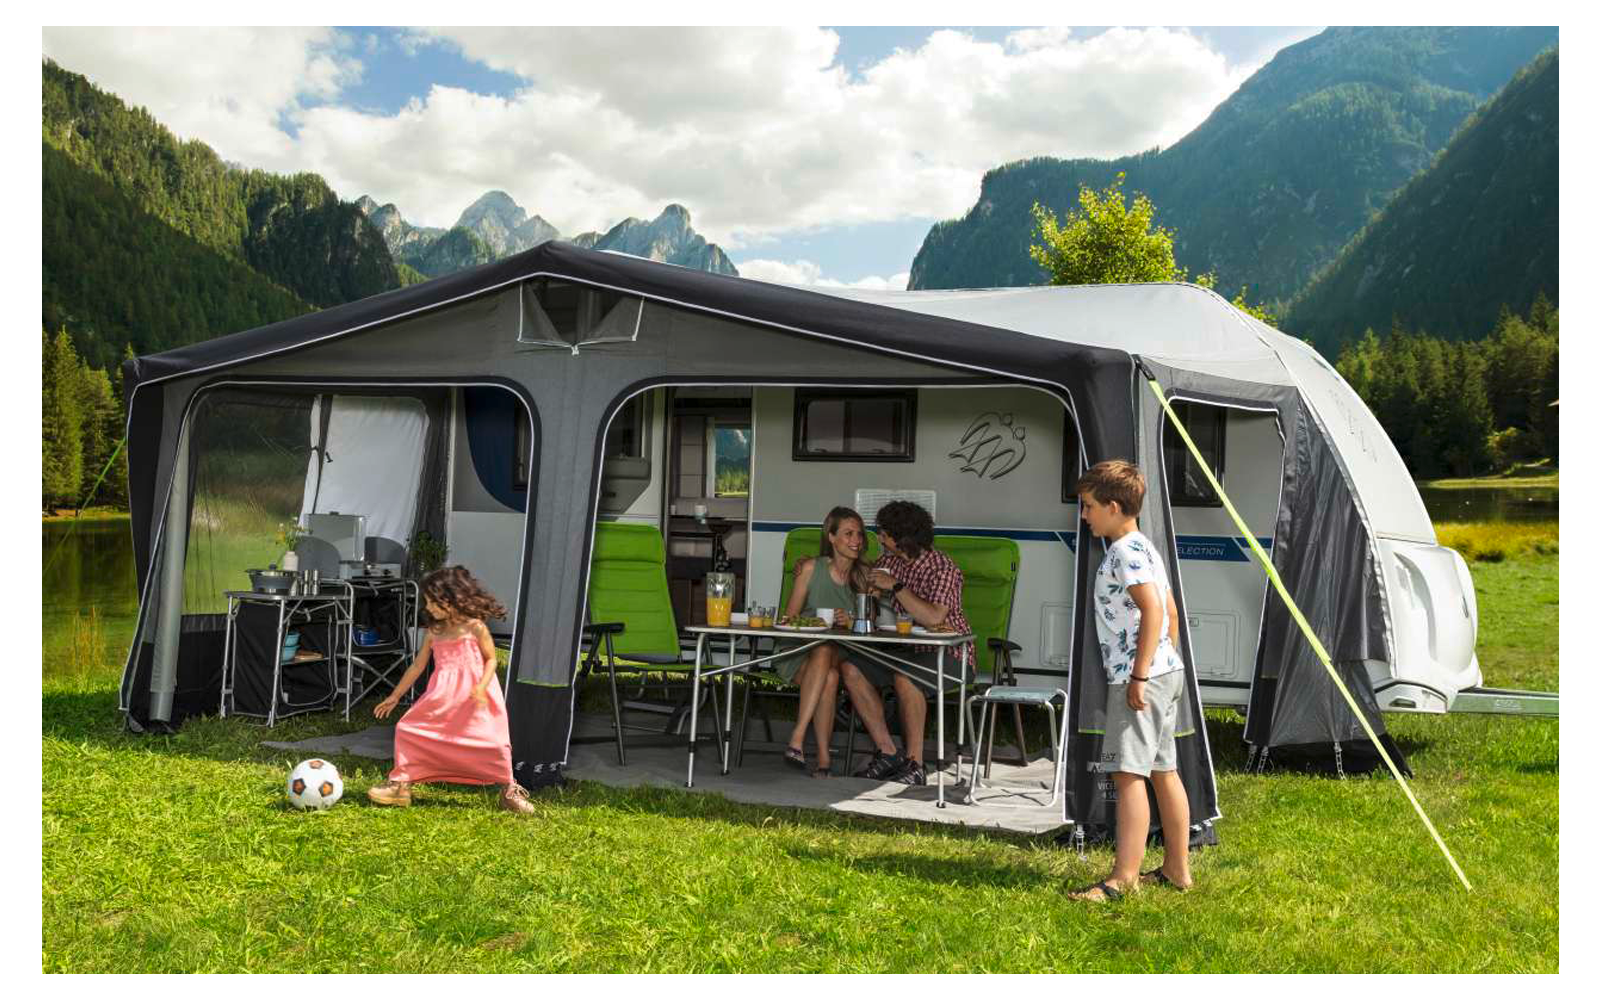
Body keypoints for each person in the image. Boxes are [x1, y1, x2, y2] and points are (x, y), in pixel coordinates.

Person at [1067, 460, 1194, 901]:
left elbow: (1154, 610)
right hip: (1165, 673)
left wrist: (1140, 674)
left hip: (1138, 678)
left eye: (1089, 506)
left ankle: (1123, 879)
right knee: (1163, 771)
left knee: (1127, 774)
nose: (1084, 515)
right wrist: (1164, 661)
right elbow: (1171, 611)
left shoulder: (1123, 553)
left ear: (1114, 507)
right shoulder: (1145, 547)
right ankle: (1177, 870)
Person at [367, 565, 536, 815]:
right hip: (442, 696)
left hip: (476, 695)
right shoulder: (434, 632)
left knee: (492, 742)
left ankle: (508, 790)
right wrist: (395, 695)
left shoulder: (475, 627)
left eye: (432, 602)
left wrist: (481, 686)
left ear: (452, 599)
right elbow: (417, 665)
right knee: (408, 729)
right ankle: (400, 785)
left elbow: (491, 659)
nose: (428, 608)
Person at [839, 500, 972, 786]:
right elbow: (868, 595)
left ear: (901, 538)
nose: (879, 540)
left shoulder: (943, 568)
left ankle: (915, 764)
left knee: (906, 678)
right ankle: (887, 752)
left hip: (951, 656)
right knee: (851, 668)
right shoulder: (889, 563)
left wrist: (896, 587)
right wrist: (867, 600)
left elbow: (934, 617)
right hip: (907, 651)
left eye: (884, 535)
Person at [771, 506, 869, 776]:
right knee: (830, 677)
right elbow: (789, 619)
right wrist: (813, 624)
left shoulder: (864, 576)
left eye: (859, 534)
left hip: (841, 650)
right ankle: (823, 760)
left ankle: (797, 739)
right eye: (848, 533)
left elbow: (869, 625)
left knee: (826, 651)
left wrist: (851, 620)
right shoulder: (810, 568)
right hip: (798, 650)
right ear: (831, 537)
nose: (856, 540)